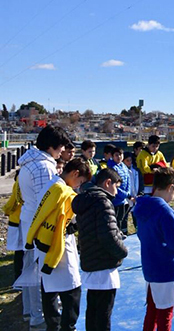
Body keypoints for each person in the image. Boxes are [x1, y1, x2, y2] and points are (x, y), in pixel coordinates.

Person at [25, 158, 91, 331]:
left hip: (44, 244)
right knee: (71, 291)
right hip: (59, 246)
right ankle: (67, 327)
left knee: (49, 290)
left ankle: (52, 326)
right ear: (75, 174)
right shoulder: (64, 192)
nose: (78, 186)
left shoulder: (50, 185)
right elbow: (71, 220)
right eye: (80, 181)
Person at [16, 125, 71, 329]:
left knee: (31, 268)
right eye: (60, 148)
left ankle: (30, 311)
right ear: (51, 147)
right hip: (38, 226)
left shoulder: (30, 163)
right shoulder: (43, 167)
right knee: (40, 272)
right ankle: (38, 315)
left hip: (28, 221)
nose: (61, 152)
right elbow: (47, 202)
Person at [72, 168, 129, 331]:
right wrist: (123, 251)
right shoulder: (103, 202)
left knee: (93, 311)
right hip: (104, 265)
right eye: (116, 187)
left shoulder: (86, 200)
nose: (116, 191)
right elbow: (108, 236)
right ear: (107, 183)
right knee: (104, 314)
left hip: (91, 260)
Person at [133, 167, 174, 331]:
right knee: (165, 313)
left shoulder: (142, 207)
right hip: (165, 268)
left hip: (150, 266)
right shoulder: (164, 211)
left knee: (152, 310)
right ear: (170, 187)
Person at [3, 173, 24, 283]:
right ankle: (20, 278)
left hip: (18, 219)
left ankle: (19, 277)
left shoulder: (19, 181)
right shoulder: (21, 182)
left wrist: (7, 210)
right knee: (21, 251)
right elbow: (14, 201)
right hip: (20, 220)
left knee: (20, 251)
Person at [107, 146, 132, 234]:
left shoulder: (123, 166)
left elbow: (128, 179)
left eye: (120, 155)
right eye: (116, 155)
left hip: (124, 199)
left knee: (122, 219)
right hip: (116, 199)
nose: (119, 157)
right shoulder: (111, 167)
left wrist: (128, 192)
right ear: (112, 156)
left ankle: (122, 234)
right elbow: (115, 185)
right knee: (116, 221)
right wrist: (125, 194)